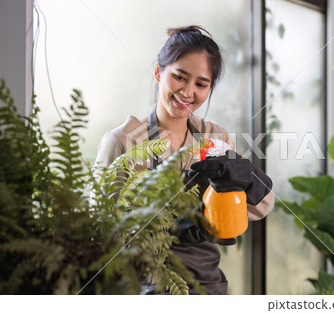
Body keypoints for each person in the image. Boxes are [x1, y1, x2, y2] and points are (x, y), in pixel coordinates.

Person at [93, 25, 274, 295]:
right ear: (158, 72)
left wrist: (248, 180)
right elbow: (99, 231)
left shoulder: (215, 137)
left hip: (208, 288)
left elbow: (261, 208)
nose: (188, 92)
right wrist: (169, 228)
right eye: (179, 77)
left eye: (201, 84)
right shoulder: (123, 141)